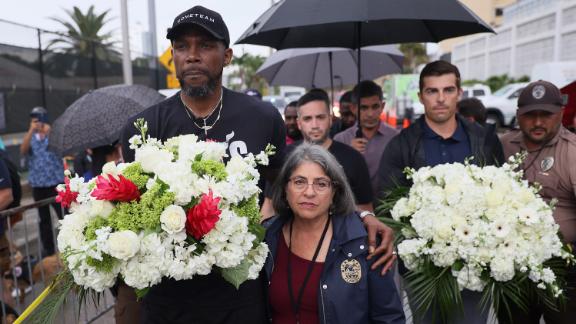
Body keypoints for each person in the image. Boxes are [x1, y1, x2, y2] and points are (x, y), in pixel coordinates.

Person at [119, 6, 392, 324]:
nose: (192, 55)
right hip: (169, 297)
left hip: (243, 293)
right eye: (182, 46)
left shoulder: (261, 118)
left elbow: (294, 188)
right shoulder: (143, 128)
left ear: (227, 56)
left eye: (205, 46)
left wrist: (363, 217)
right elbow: (131, 216)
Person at [377, 61, 505, 324]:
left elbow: (502, 196)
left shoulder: (483, 140)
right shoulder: (401, 145)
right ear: (420, 96)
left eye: (448, 90)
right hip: (423, 273)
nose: (440, 99)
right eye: (432, 91)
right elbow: (385, 206)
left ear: (459, 92)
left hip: (473, 267)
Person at [265, 143, 405, 324]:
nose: (309, 192)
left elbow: (389, 318)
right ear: (285, 188)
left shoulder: (363, 243)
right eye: (299, 182)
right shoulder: (268, 237)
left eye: (321, 184)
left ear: (335, 192)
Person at [498, 80, 576, 324]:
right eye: (531, 115)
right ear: (518, 115)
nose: (539, 122)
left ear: (561, 113)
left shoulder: (572, 152)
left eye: (546, 115)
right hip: (513, 269)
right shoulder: (503, 145)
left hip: (562, 270)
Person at [334, 80, 398, 196]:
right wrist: (348, 154)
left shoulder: (395, 137)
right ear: (353, 109)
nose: (370, 114)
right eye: (364, 108)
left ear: (382, 106)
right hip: (352, 209)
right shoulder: (341, 140)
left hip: (388, 208)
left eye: (375, 107)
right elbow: (334, 178)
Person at [19, 107, 64, 257]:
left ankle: (71, 243)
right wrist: (31, 131)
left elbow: (63, 148)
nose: (36, 123)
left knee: (64, 215)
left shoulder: (53, 135)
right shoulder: (30, 137)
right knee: (43, 219)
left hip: (55, 183)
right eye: (33, 120)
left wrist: (50, 132)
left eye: (38, 119)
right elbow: (23, 150)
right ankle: (49, 249)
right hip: (39, 185)